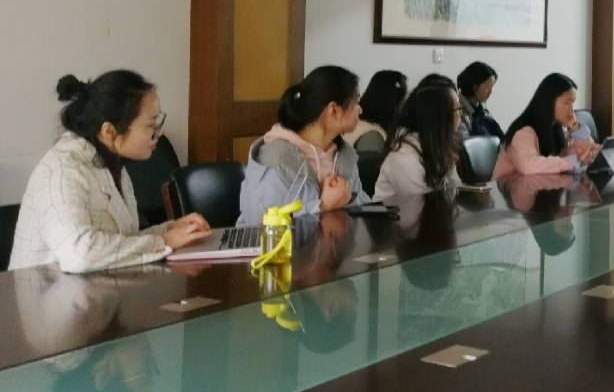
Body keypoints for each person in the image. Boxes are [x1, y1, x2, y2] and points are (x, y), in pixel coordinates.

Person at [9, 72, 211, 273]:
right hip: (46, 293)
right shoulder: (61, 172)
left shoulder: (110, 163)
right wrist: (163, 241)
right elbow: (79, 255)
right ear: (109, 132)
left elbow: (119, 242)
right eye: (151, 125)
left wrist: (169, 230)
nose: (159, 132)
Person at [237, 66, 370, 226]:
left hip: (338, 242)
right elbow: (261, 225)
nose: (360, 110)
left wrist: (349, 199)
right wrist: (323, 206)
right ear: (334, 110)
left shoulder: (343, 155)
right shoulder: (276, 160)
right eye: (356, 102)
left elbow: (363, 208)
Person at [493, 73, 600, 177]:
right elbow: (528, 166)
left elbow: (579, 156)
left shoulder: (556, 129)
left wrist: (575, 128)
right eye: (567, 103)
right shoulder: (523, 132)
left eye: (572, 103)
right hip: (510, 188)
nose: (572, 110)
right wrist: (574, 160)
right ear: (550, 101)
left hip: (541, 187)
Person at [374, 85, 462, 200]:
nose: (461, 114)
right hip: (402, 211)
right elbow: (421, 204)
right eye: (457, 109)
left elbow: (453, 189)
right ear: (439, 115)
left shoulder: (437, 145)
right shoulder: (405, 158)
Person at [342, 70, 407, 153]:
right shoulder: (372, 136)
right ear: (391, 103)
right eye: (402, 100)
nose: (404, 106)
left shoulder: (357, 124)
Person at [457, 61, 503, 139]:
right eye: (487, 87)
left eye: (492, 87)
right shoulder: (457, 110)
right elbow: (464, 142)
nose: (490, 91)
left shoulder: (483, 111)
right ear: (474, 86)